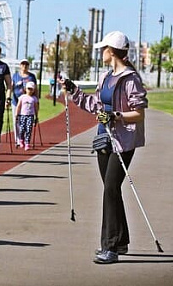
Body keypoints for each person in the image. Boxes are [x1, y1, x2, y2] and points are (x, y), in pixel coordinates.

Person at [59, 30, 148, 264]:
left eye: (103, 49)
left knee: (110, 188)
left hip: (123, 142)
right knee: (112, 190)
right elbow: (96, 105)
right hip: (103, 139)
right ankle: (120, 241)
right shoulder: (105, 77)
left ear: (112, 51)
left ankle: (109, 247)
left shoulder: (131, 79)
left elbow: (138, 114)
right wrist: (74, 90)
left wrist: (116, 116)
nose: (101, 53)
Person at [11, 58, 37, 147]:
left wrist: (36, 101)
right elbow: (11, 87)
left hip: (28, 103)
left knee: (26, 122)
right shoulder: (15, 76)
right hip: (16, 101)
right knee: (16, 120)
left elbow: (35, 89)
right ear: (20, 65)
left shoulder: (31, 77)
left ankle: (25, 139)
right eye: (23, 64)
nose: (24, 66)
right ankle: (18, 139)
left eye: (26, 64)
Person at [14, 81, 39, 151]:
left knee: (28, 129)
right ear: (25, 89)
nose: (30, 91)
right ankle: (21, 139)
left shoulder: (34, 98)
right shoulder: (22, 97)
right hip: (22, 115)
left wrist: (36, 116)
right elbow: (18, 106)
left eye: (31, 89)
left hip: (30, 116)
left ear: (33, 90)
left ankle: (27, 143)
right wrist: (16, 114)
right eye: (28, 89)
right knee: (22, 129)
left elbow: (36, 108)